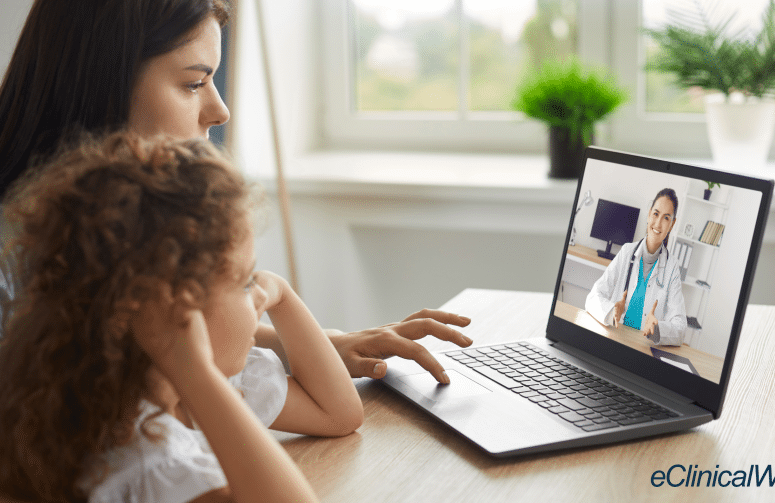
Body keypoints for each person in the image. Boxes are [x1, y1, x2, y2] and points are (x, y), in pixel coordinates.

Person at [0, 0, 471, 384]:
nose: (220, 111)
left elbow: (156, 340)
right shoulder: (13, 260)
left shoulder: (109, 224)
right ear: (104, 80)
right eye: (193, 83)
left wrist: (321, 344)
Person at [0, 132, 365, 502]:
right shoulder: (147, 462)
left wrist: (282, 295)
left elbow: (341, 415)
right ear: (178, 313)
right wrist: (199, 376)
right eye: (244, 282)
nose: (258, 296)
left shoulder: (211, 387)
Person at [585, 188, 686, 346]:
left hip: (643, 347)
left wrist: (658, 328)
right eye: (656, 214)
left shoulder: (672, 267)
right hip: (615, 340)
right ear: (649, 214)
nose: (658, 223)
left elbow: (680, 328)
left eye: (666, 218)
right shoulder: (627, 251)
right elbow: (592, 297)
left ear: (672, 225)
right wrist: (612, 311)